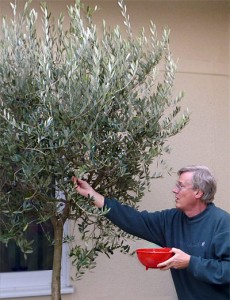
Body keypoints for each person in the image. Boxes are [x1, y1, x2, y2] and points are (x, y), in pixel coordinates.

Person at [72, 165, 230, 300]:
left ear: (198, 193)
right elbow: (133, 219)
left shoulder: (222, 223)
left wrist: (190, 262)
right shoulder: (171, 220)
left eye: (181, 186)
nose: (174, 190)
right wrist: (91, 195)